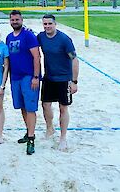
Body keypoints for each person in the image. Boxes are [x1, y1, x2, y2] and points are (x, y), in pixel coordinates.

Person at [37, 14, 79, 152]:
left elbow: (74, 60)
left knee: (63, 108)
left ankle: (63, 137)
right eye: (45, 24)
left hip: (64, 79)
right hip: (49, 77)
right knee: (45, 105)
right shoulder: (41, 37)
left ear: (55, 24)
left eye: (50, 24)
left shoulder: (64, 39)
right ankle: (50, 128)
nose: (47, 26)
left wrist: (74, 81)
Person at [6, 10, 41, 155]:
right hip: (15, 77)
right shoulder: (8, 37)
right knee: (22, 107)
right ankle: (28, 132)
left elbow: (36, 57)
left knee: (31, 108)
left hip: (29, 76)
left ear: (22, 20)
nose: (15, 22)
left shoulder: (28, 35)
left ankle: (31, 138)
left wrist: (36, 76)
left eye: (17, 19)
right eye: (12, 20)